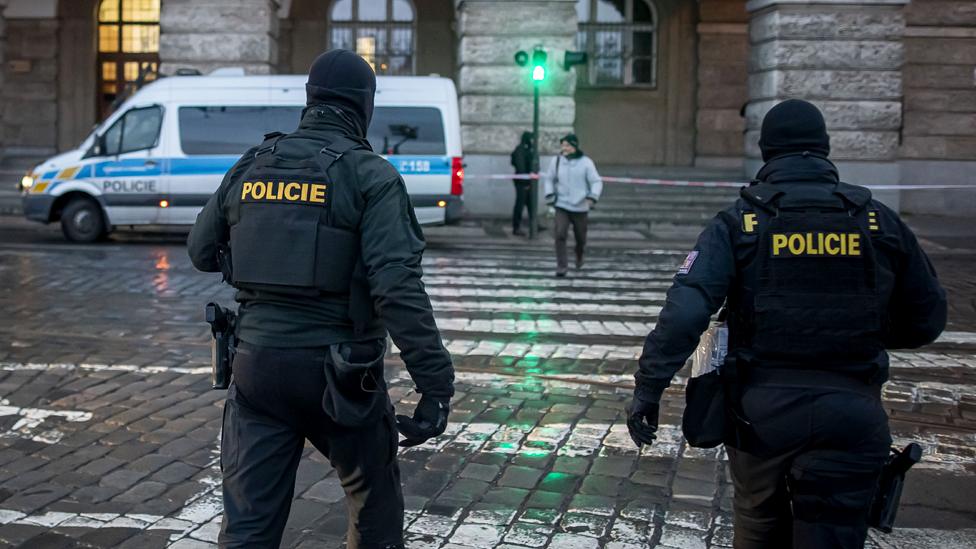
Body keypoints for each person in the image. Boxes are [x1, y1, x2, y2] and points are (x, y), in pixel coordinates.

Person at [626, 99, 947, 549]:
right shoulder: (877, 221)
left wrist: (648, 387)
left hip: (763, 417)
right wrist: (859, 328)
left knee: (759, 526)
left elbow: (686, 312)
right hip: (853, 410)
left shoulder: (741, 222)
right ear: (825, 148)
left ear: (766, 151)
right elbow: (927, 321)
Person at [187, 49, 455, 549]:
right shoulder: (371, 175)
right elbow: (397, 287)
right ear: (364, 106)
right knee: (373, 504)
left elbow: (201, 252)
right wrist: (435, 384)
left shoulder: (253, 163)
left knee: (247, 527)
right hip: (342, 374)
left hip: (257, 368)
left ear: (309, 101)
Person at [543, 134, 603, 277]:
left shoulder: (586, 163)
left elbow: (596, 181)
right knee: (560, 234)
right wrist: (550, 194)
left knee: (580, 237)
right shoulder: (557, 161)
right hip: (561, 204)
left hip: (580, 205)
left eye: (568, 145)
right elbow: (549, 179)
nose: (565, 148)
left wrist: (592, 197)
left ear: (575, 146)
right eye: (563, 145)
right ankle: (561, 266)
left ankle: (579, 255)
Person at [510, 131, 534, 236]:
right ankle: (516, 227)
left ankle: (534, 224)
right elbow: (521, 168)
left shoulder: (526, 149)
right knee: (520, 205)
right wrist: (526, 183)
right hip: (522, 182)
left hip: (527, 181)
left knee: (531, 204)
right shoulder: (521, 150)